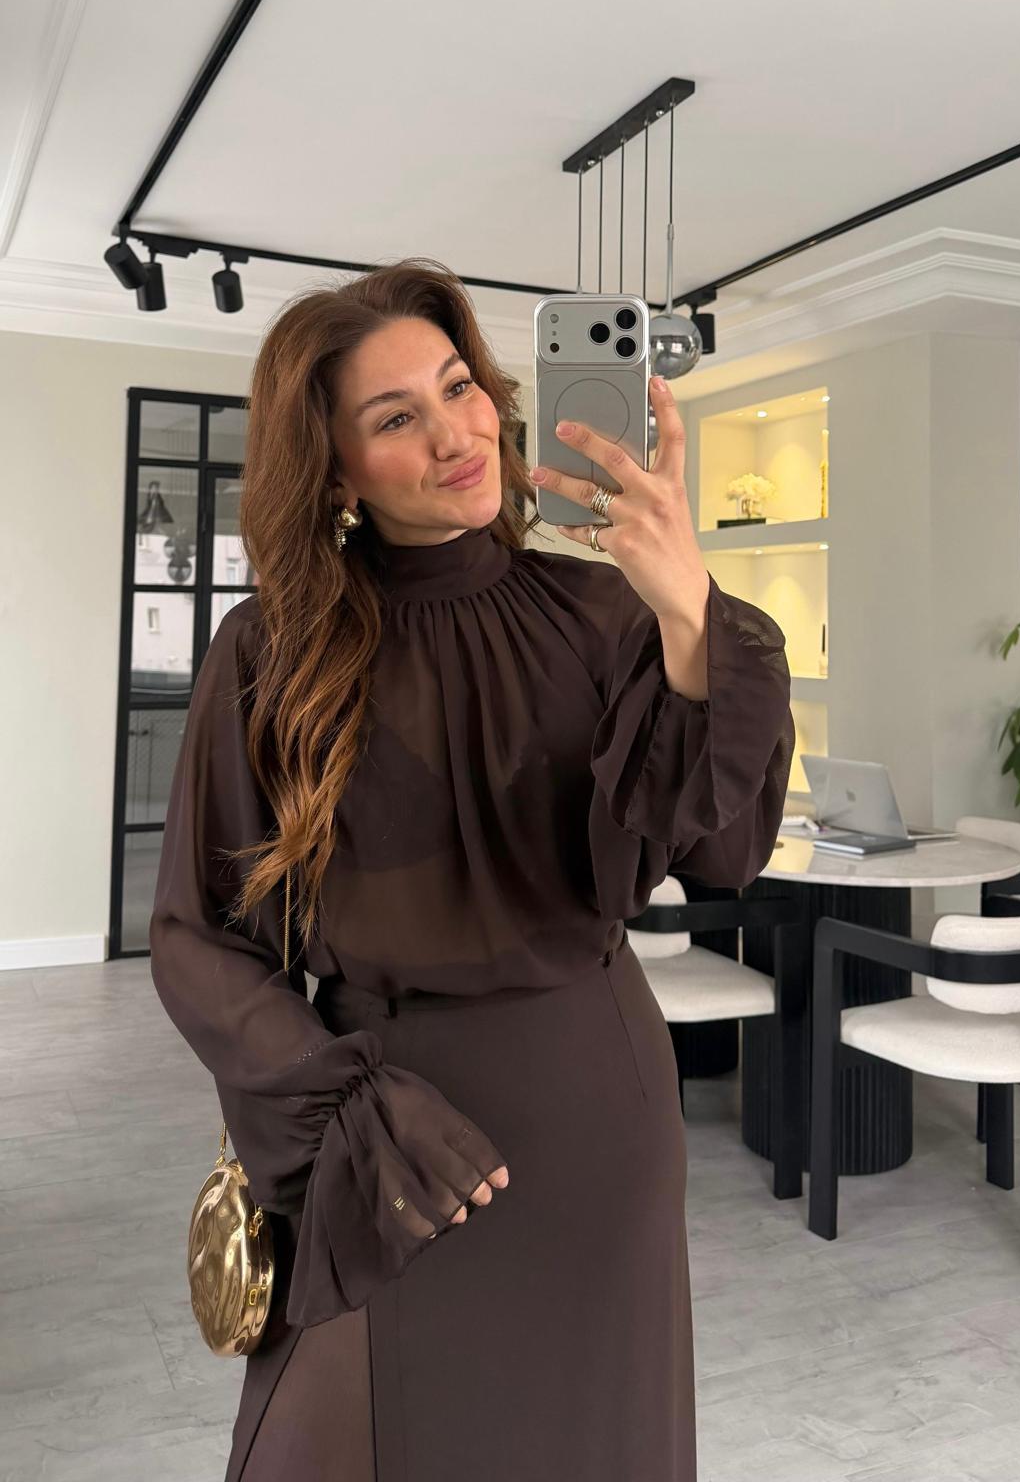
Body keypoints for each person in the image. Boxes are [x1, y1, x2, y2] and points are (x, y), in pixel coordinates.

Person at [149, 256, 795, 1482]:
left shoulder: (602, 615)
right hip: (380, 1130)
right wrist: (337, 1102)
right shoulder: (272, 648)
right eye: (397, 417)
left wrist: (690, 609)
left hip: (592, 1109)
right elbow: (196, 935)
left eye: (458, 388)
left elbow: (721, 853)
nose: (455, 434)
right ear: (335, 469)